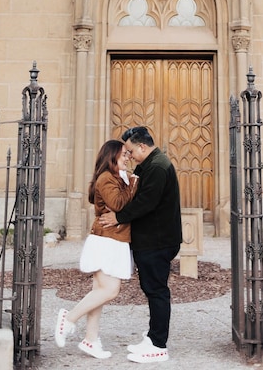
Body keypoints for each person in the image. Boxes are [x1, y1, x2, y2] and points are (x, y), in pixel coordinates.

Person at [99, 126, 182, 365]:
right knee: (151, 289)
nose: (129, 155)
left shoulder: (157, 166)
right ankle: (153, 336)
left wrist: (118, 217)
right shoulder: (151, 164)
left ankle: (158, 345)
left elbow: (146, 202)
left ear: (142, 147)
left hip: (157, 241)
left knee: (156, 291)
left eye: (131, 150)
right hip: (152, 240)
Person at [54, 139, 138, 360]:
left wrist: (128, 182)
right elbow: (119, 205)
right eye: (123, 154)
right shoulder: (106, 178)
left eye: (128, 154)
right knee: (110, 290)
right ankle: (69, 318)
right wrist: (133, 183)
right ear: (111, 157)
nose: (127, 157)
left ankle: (90, 340)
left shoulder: (117, 177)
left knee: (98, 291)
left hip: (114, 239)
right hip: (107, 241)